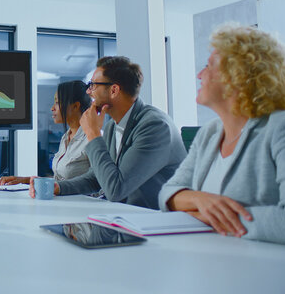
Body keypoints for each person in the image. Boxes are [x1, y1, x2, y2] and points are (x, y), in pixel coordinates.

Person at [159, 24, 285, 247]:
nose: (200, 75)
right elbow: (167, 193)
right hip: (212, 260)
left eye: (208, 66)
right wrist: (201, 199)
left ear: (237, 76)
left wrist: (210, 219)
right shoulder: (210, 133)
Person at [31, 56, 186, 209]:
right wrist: (58, 187)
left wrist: (92, 133)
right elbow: (95, 178)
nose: (88, 91)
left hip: (150, 222)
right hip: (121, 217)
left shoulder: (154, 126)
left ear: (113, 90)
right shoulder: (113, 126)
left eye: (93, 85)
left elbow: (115, 190)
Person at [0, 80, 91, 185]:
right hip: (63, 200)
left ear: (75, 106)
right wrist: (25, 180)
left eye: (57, 102)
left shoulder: (91, 139)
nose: (52, 108)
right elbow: (59, 182)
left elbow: (97, 185)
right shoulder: (66, 138)